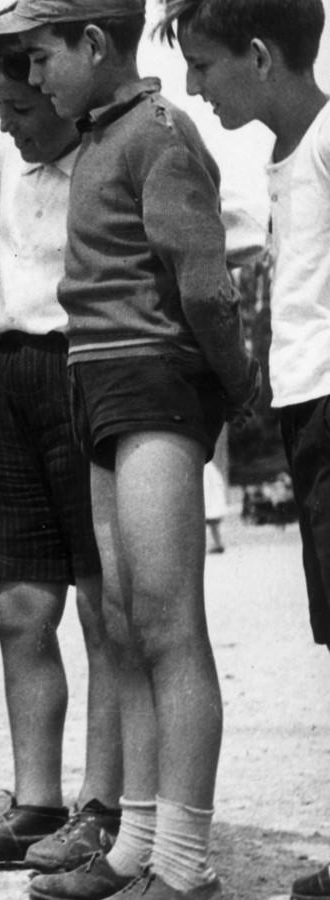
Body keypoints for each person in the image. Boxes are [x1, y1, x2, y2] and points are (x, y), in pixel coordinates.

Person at [0, 1, 259, 897]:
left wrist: (231, 389)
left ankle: (183, 866)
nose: (31, 79)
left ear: (94, 44)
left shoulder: (158, 131)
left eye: (40, 58)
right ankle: (137, 842)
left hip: (154, 387)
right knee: (129, 622)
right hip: (96, 388)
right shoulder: (96, 138)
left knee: (173, 625)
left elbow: (206, 286)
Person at [0, 18, 123, 871]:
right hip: (17, 377)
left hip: (92, 370)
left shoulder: (111, 153)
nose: (11, 125)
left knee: (103, 605)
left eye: (24, 107)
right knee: (20, 607)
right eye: (1, 108)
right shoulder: (6, 157)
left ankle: (105, 804)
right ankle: (35, 802)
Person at [160, 1, 330, 896]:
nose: (193, 84)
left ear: (259, 55)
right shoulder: (285, 155)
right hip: (308, 407)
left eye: (203, 63)